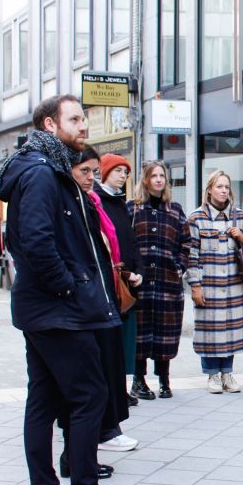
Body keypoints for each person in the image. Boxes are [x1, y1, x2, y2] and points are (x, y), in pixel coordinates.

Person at [0, 94, 141, 485]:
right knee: (90, 394)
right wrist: (69, 288)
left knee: (44, 398)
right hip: (57, 310)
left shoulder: (49, 168)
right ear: (49, 125)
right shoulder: (42, 172)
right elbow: (35, 241)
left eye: (84, 118)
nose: (84, 126)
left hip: (45, 308)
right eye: (75, 119)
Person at [58, 146, 136, 476]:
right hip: (81, 306)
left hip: (102, 300)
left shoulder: (91, 203)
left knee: (98, 382)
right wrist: (78, 287)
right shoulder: (71, 204)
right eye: (85, 171)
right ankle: (78, 466)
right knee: (84, 390)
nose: (91, 178)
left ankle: (80, 459)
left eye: (94, 171)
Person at [185, 170, 243, 393]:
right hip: (208, 285)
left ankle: (227, 373)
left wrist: (242, 238)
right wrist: (195, 285)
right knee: (209, 330)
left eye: (226, 187)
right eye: (219, 186)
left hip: (233, 284)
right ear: (209, 189)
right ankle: (212, 375)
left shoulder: (239, 216)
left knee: (231, 329)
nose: (223, 191)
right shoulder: (196, 218)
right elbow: (190, 254)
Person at [128, 161, 188, 400]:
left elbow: (187, 243)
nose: (159, 179)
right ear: (145, 179)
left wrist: (180, 266)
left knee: (166, 333)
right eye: (154, 176)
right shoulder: (132, 209)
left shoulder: (175, 209)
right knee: (140, 333)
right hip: (140, 283)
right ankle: (138, 380)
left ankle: (164, 379)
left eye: (162, 175)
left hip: (167, 282)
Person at [96, 153, 144, 412]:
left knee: (125, 338)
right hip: (110, 280)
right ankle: (112, 390)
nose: (123, 176)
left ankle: (121, 388)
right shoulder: (97, 202)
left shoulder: (120, 202)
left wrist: (139, 270)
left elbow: (130, 241)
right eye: (117, 171)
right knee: (110, 338)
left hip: (127, 280)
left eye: (125, 172)